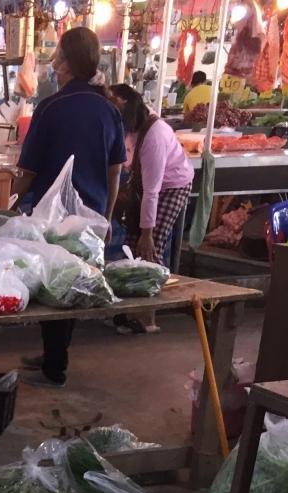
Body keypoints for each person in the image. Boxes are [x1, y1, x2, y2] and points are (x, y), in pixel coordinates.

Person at [12, 27, 125, 387]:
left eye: (56, 56)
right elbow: (115, 171)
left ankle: (55, 365)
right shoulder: (109, 110)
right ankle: (54, 355)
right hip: (92, 214)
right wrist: (107, 217)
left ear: (64, 63)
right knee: (72, 282)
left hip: (54, 217)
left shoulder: (51, 108)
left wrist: (8, 205)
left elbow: (28, 172)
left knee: (54, 283)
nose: (52, 63)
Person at [110, 83, 193, 333]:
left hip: (172, 186)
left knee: (149, 246)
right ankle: (129, 311)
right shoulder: (132, 128)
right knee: (132, 245)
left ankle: (148, 318)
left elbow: (152, 191)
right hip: (145, 188)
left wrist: (147, 233)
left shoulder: (154, 135)